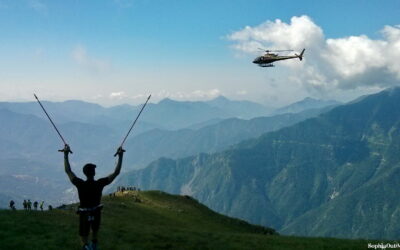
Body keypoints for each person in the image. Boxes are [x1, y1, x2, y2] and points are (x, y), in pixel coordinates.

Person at [62, 144, 125, 250]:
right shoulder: (100, 183)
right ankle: (94, 246)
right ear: (94, 173)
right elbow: (116, 172)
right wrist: (120, 156)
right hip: (96, 212)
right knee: (95, 232)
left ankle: (86, 247)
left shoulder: (80, 184)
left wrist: (65, 154)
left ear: (84, 173)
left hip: (84, 213)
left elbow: (68, 171)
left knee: (83, 237)